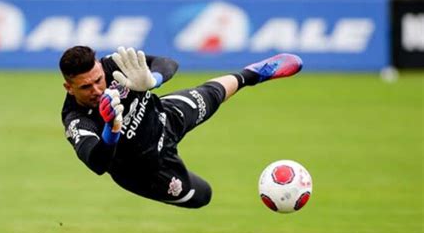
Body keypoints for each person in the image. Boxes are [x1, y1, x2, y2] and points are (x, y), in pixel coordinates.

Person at [60, 46, 302, 208]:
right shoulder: (75, 118)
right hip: (145, 171)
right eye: (85, 87)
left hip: (164, 118)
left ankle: (253, 74)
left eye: (98, 80)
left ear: (101, 69)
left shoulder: (115, 64)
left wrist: (152, 80)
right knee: (203, 196)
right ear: (69, 88)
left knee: (211, 94)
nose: (97, 90)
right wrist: (112, 130)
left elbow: (168, 63)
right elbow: (97, 163)